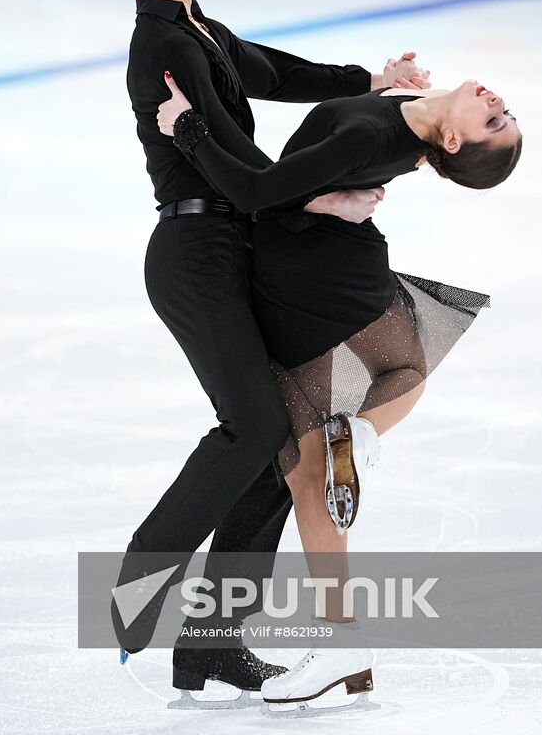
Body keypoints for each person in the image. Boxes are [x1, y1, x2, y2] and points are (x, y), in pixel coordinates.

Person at [86, 0, 428, 702]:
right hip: (197, 252)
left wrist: (366, 82)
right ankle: (144, 572)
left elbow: (272, 70)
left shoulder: (196, 28)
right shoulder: (157, 46)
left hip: (237, 247)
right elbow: (238, 184)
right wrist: (317, 188)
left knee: (280, 451)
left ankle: (210, 643)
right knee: (252, 428)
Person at [156, 72, 522, 708]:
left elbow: (254, 190)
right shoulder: (405, 116)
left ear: (455, 142)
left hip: (313, 284)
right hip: (327, 273)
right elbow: (326, 160)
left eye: (495, 121)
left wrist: (188, 130)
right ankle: (233, 635)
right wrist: (380, 85)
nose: (496, 103)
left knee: (307, 468)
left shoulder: (375, 133)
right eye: (504, 111)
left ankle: (334, 634)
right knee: (312, 457)